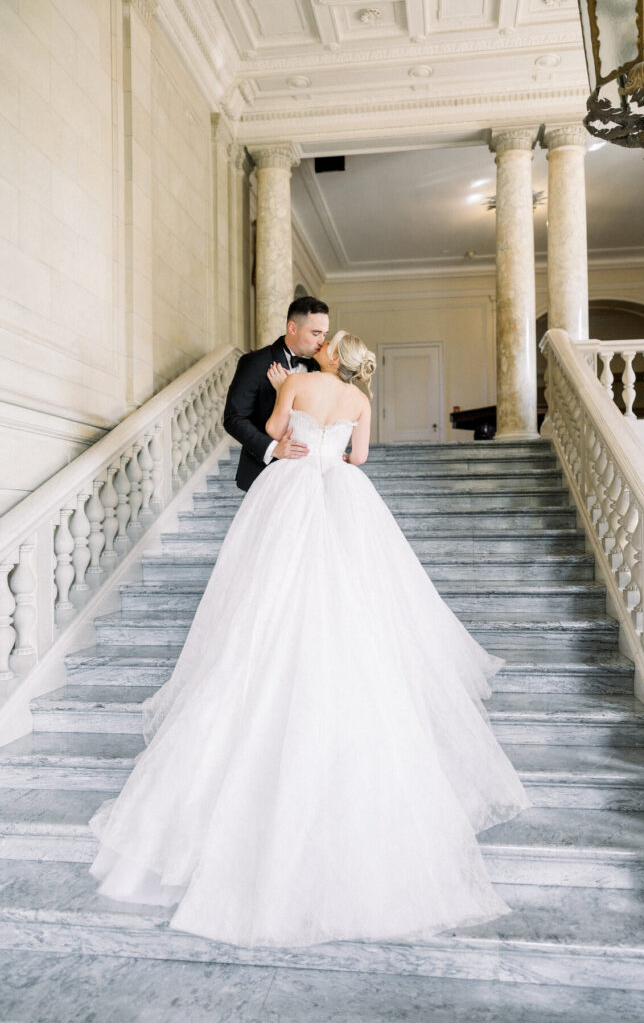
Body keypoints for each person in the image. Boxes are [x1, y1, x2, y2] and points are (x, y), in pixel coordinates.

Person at [89, 330, 531, 949]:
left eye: (332, 340)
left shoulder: (295, 381)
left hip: (290, 492)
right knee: (356, 598)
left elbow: (275, 433)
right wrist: (332, 446)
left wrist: (284, 401)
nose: (325, 342)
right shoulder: (359, 402)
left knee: (267, 597)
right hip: (343, 495)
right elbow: (358, 462)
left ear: (329, 356)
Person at [223, 295, 329, 491]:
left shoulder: (322, 368)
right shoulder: (255, 362)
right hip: (265, 473)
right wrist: (273, 449)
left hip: (312, 475)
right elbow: (234, 418)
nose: (322, 342)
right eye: (316, 333)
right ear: (292, 328)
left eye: (324, 334)